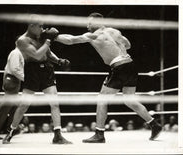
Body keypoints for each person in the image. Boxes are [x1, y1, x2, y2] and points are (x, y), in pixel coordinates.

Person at [55, 12, 162, 143]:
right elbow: (128, 45)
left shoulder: (93, 35)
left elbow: (71, 40)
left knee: (101, 99)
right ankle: (154, 124)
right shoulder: (114, 31)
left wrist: (54, 36)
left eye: (89, 22)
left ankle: (99, 133)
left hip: (119, 67)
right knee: (129, 100)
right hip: (130, 65)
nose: (87, 25)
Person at [2, 14, 71, 144]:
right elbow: (37, 55)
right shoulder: (22, 41)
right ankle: (10, 132)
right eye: (39, 26)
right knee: (23, 106)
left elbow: (47, 53)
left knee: (55, 103)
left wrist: (59, 61)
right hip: (32, 71)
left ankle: (58, 135)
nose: (42, 28)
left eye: (43, 26)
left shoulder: (41, 36)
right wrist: (48, 40)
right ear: (31, 26)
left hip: (47, 71)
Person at [0, 47, 24, 140]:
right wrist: (25, 78)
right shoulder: (16, 53)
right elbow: (14, 70)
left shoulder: (19, 53)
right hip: (12, 79)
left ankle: (10, 129)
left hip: (13, 80)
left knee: (16, 106)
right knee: (5, 108)